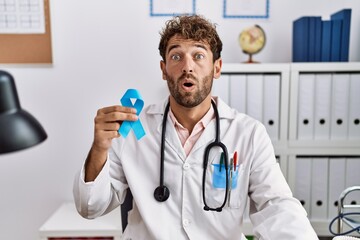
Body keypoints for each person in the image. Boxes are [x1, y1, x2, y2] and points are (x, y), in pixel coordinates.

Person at [73, 15, 318, 239]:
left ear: (217, 67)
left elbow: (277, 206)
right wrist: (99, 147)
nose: (187, 67)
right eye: (176, 56)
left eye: (198, 56)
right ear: (163, 69)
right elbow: (90, 207)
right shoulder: (134, 129)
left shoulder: (248, 134)